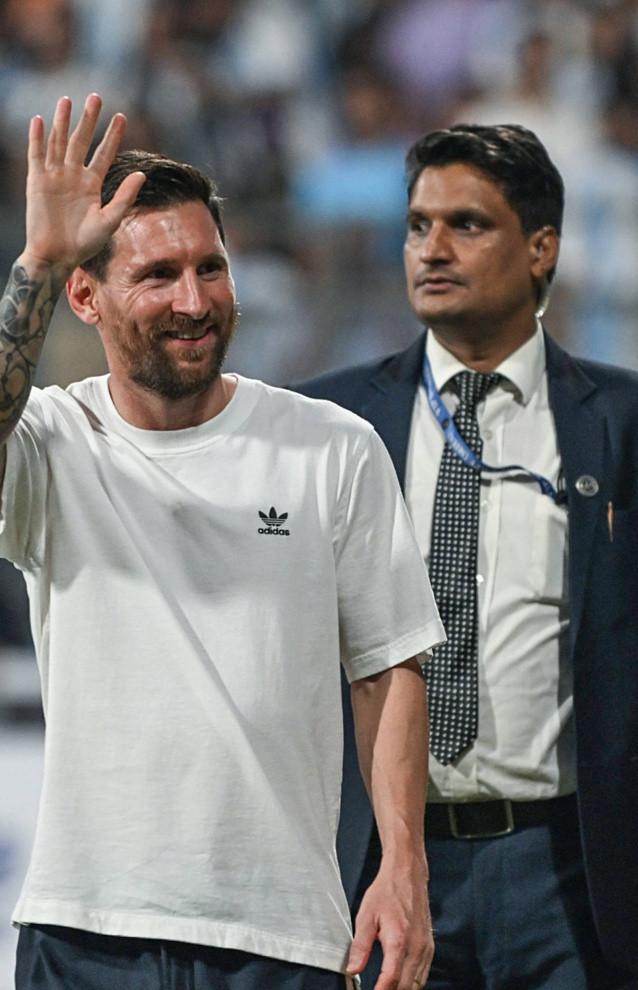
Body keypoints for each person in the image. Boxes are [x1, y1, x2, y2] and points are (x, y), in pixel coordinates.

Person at [0, 94, 445, 990]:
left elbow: (387, 669)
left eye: (212, 267)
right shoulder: (52, 439)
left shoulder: (333, 446)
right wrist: (38, 264)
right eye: (159, 275)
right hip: (86, 928)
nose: (194, 300)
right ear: (85, 297)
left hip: (281, 934)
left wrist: (404, 867)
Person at [295, 123, 638, 989]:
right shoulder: (327, 423)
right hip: (380, 865)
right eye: (418, 225)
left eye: (467, 224)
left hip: (572, 870)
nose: (432, 248)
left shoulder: (621, 423)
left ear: (541, 248)